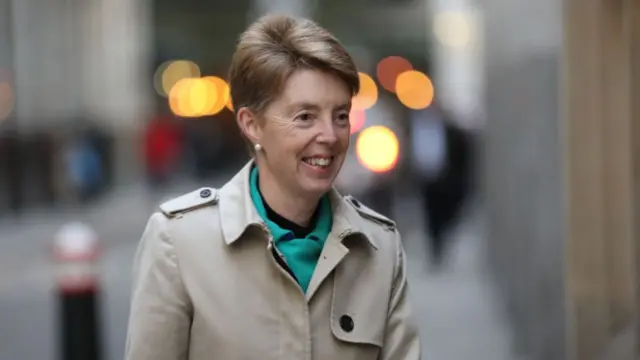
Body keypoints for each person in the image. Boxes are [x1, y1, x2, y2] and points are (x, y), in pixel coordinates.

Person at [125, 14, 421, 360]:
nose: (329, 135)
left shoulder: (380, 247)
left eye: (340, 115)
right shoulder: (177, 242)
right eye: (305, 117)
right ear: (251, 125)